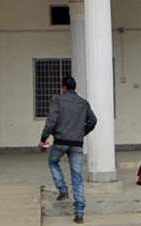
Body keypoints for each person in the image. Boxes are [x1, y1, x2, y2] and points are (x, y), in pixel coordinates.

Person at [40, 76, 97, 225]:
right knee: (77, 177)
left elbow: (51, 121)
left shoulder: (57, 100)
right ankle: (79, 213)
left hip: (60, 141)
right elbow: (93, 121)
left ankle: (62, 189)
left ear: (63, 87)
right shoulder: (83, 103)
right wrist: (81, 132)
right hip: (77, 143)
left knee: (53, 162)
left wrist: (43, 139)